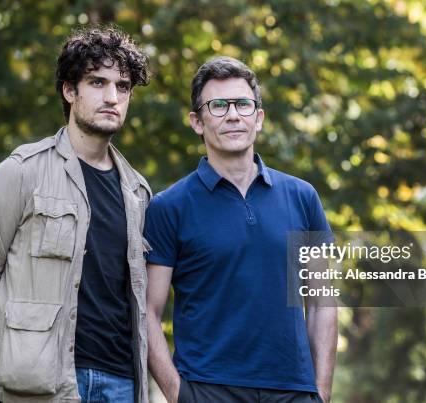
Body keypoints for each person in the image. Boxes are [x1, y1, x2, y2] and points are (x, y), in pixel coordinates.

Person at [0, 26, 151, 403]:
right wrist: (17, 348)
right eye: (97, 82)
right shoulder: (20, 172)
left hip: (121, 383)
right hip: (35, 386)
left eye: (122, 86)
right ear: (69, 90)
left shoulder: (138, 192)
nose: (112, 97)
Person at [145, 56, 338, 403]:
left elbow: (323, 303)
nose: (232, 115)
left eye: (242, 104)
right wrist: (180, 396)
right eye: (218, 106)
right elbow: (147, 311)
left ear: (258, 118)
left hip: (294, 391)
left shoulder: (303, 197)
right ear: (197, 122)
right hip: (208, 388)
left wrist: (320, 393)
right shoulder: (168, 207)